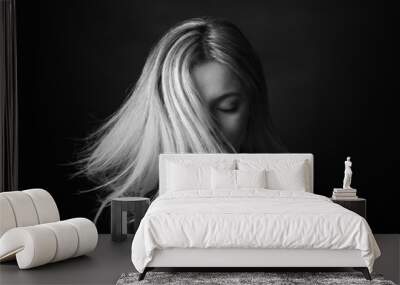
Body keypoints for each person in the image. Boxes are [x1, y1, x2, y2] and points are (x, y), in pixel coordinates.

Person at [73, 17, 286, 222]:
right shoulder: (126, 209)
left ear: (253, 106)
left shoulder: (284, 196)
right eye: (188, 111)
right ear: (161, 112)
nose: (205, 128)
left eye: (226, 107)